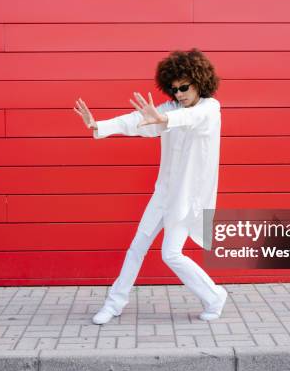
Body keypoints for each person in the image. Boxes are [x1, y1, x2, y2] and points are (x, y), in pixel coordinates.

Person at [73, 48, 227, 324]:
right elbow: (136, 121)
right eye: (173, 88)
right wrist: (99, 125)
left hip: (186, 199)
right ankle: (114, 304)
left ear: (199, 81)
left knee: (171, 253)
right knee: (137, 247)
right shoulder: (170, 109)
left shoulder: (209, 109)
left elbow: (190, 119)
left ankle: (214, 296)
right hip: (163, 195)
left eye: (183, 87)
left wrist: (164, 119)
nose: (178, 93)